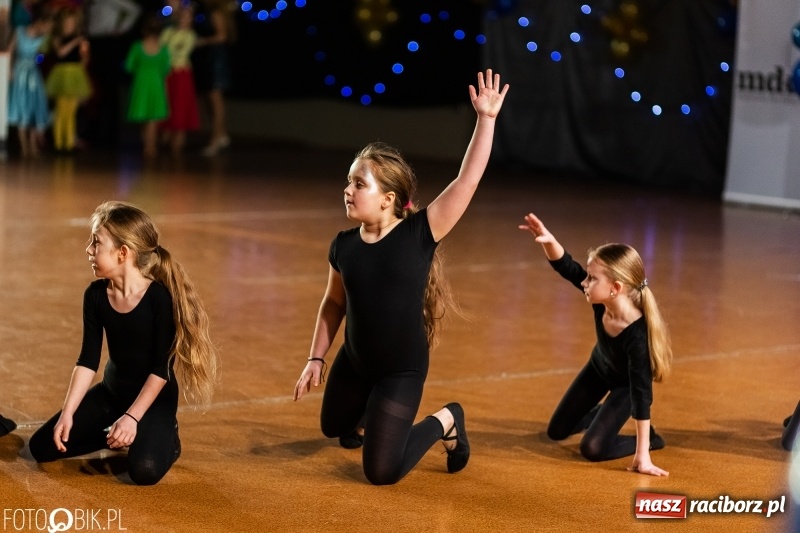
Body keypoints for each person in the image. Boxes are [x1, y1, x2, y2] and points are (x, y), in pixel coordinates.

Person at [293, 70, 509, 485]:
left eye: (359, 184)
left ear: (388, 199)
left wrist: (486, 119)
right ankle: (366, 418)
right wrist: (315, 358)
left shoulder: (418, 233)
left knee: (381, 472)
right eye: (348, 181)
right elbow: (334, 303)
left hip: (399, 370)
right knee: (332, 425)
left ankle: (447, 420)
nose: (347, 190)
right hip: (356, 362)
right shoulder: (342, 244)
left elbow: (468, 180)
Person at [29, 201, 219, 485]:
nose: (88, 250)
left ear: (122, 253)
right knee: (42, 447)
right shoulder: (94, 296)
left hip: (152, 401)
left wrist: (132, 417)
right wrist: (68, 414)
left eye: (96, 242)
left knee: (144, 470)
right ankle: (112, 431)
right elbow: (87, 360)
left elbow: (161, 369)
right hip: (111, 395)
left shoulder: (158, 299)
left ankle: (168, 440)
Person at [519, 213, 672, 477]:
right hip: (599, 369)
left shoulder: (638, 336)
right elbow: (569, 268)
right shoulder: (602, 301)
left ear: (615, 287)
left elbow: (641, 395)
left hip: (626, 389)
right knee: (557, 431)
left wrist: (642, 456)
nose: (584, 282)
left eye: (592, 279)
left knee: (592, 448)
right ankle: (602, 415)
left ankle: (650, 440)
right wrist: (549, 240)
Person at [6, 7, 52, 157]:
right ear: (40, 22)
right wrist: (10, 69)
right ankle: (23, 144)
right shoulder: (19, 31)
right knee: (20, 104)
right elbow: (11, 50)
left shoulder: (42, 38)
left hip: (33, 72)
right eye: (47, 25)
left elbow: (42, 56)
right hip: (20, 71)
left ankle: (32, 143)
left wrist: (41, 52)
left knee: (34, 104)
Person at [45, 7, 91, 153]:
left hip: (75, 75)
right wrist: (74, 42)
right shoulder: (57, 37)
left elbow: (85, 58)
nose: (69, 26)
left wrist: (83, 50)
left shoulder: (80, 39)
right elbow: (60, 52)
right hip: (61, 77)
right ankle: (59, 144)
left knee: (71, 113)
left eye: (71, 23)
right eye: (66, 23)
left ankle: (69, 143)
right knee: (60, 112)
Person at [124, 15, 170, 158]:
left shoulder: (137, 47)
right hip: (155, 84)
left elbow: (128, 66)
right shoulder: (163, 50)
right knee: (152, 119)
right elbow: (166, 69)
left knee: (144, 117)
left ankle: (148, 145)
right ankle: (150, 146)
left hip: (141, 84)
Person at [193, 0, 234, 156]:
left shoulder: (216, 12)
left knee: (216, 100)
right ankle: (221, 133)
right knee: (210, 100)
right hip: (209, 59)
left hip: (216, 60)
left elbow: (222, 36)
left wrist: (203, 41)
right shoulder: (205, 13)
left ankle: (216, 138)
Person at [159, 4, 199, 155]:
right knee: (167, 105)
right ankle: (163, 140)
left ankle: (177, 148)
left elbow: (182, 51)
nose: (184, 19)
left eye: (187, 17)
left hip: (182, 73)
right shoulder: (168, 32)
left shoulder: (190, 35)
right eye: (182, 16)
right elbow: (163, 50)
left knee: (181, 106)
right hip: (168, 74)